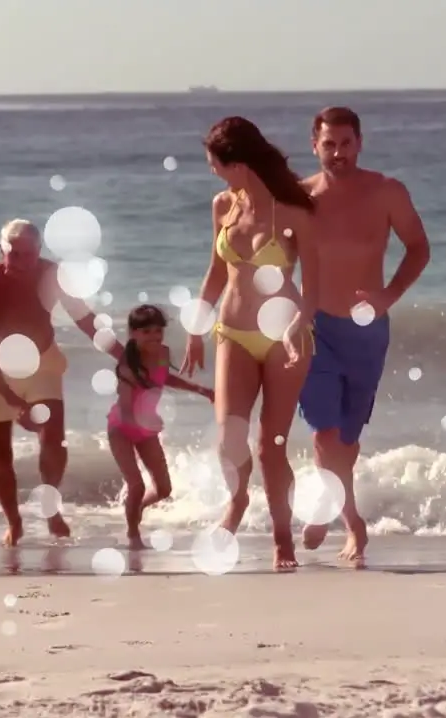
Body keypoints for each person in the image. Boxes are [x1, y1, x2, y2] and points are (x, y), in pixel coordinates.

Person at [181, 117, 321, 572]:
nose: (213, 172)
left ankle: (283, 538)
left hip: (285, 336)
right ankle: (238, 499)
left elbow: (316, 283)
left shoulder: (294, 211)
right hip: (233, 332)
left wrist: (301, 324)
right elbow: (217, 271)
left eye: (215, 164)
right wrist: (195, 326)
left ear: (237, 163)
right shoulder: (223, 205)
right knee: (230, 437)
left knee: (270, 446)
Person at [297, 107, 432, 568]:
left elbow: (419, 247)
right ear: (314, 145)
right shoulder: (299, 197)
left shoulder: (386, 191)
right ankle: (352, 522)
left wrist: (389, 295)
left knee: (348, 439)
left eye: (346, 143)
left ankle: (332, 503)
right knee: (324, 432)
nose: (338, 153)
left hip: (365, 328)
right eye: (329, 144)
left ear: (360, 143)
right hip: (314, 325)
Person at [0, 218, 122, 547]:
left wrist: (125, 357)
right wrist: (12, 401)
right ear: (1, 250)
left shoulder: (53, 275)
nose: (22, 262)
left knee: (53, 440)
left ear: (39, 252)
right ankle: (14, 523)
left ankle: (51, 509)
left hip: (42, 361)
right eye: (14, 253)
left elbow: (85, 320)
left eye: (29, 254)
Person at [106, 304, 212, 549]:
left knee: (163, 488)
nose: (154, 337)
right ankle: (133, 534)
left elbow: (165, 377)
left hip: (146, 429)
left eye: (158, 331)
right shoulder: (128, 362)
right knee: (136, 483)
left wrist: (200, 389)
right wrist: (144, 421)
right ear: (133, 333)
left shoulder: (163, 352)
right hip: (122, 428)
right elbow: (124, 406)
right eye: (146, 332)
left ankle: (137, 506)